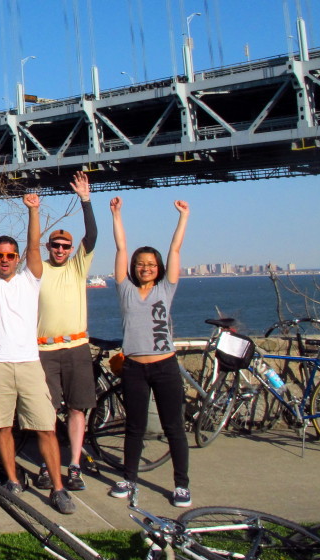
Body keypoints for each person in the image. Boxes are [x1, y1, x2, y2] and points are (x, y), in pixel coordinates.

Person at [0, 194, 75, 516]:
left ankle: (58, 488)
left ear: (17, 258)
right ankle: (14, 481)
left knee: (45, 427)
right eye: (0, 255)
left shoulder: (30, 280)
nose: (4, 259)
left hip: (29, 363)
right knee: (1, 426)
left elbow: (34, 248)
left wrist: (34, 211)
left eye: (9, 255)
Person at [108, 196, 191, 507]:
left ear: (159, 268)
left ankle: (181, 485)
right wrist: (117, 214)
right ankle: (129, 479)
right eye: (140, 264)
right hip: (134, 368)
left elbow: (176, 250)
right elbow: (120, 248)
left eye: (151, 264)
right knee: (135, 427)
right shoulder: (125, 289)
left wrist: (183, 217)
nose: (145, 267)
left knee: (174, 427)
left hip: (165, 366)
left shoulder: (165, 288)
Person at [35, 171, 98, 492]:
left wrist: (85, 200)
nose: (60, 249)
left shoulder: (78, 266)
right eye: (55, 245)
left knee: (76, 408)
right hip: (44, 351)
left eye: (65, 246)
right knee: (46, 413)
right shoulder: (38, 268)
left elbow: (93, 235)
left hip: (76, 349)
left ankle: (73, 466)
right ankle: (50, 465)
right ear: (48, 247)